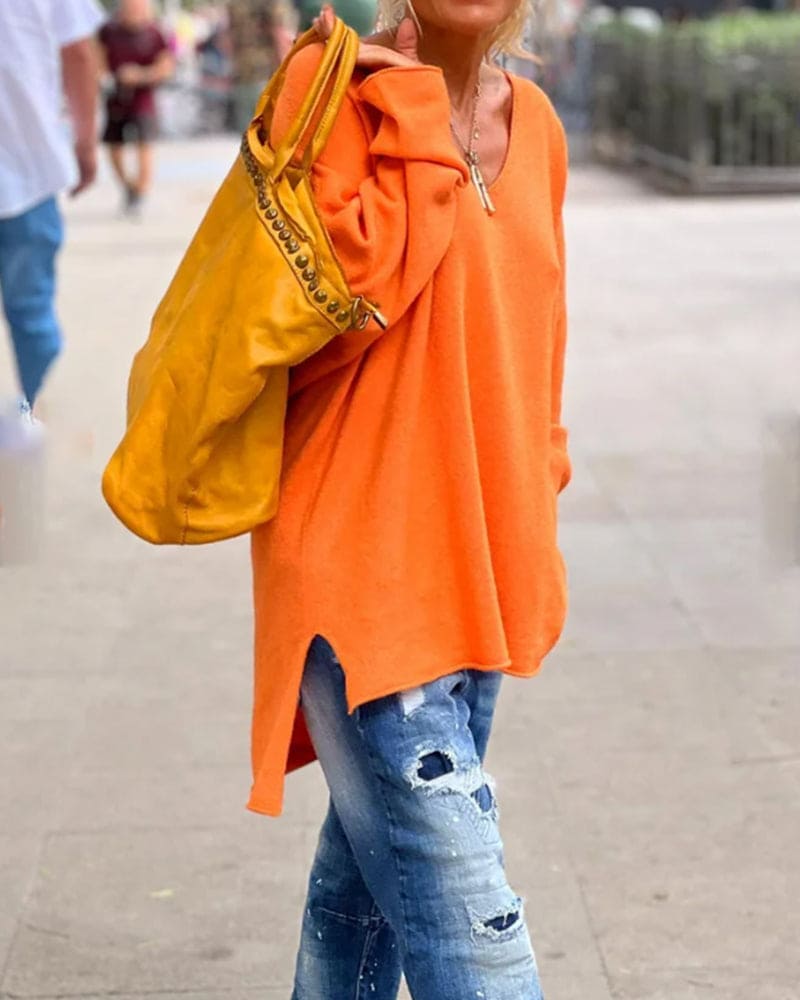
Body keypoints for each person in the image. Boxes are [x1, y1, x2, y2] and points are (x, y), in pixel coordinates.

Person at [249, 0, 571, 997]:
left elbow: (539, 340)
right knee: (476, 940)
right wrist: (411, 104)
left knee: (364, 901)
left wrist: (538, 490)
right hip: (359, 577)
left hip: (479, 566)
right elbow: (329, 317)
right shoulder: (328, 94)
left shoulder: (540, 125)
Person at [0, 0, 102, 406]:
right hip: (29, 166)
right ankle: (33, 413)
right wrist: (85, 142)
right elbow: (78, 53)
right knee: (33, 314)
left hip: (30, 169)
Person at [98, 0, 174, 216]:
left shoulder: (155, 33)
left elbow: (166, 66)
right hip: (116, 97)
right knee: (114, 146)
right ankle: (128, 186)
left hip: (143, 98)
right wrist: (105, 77)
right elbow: (98, 59)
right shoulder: (108, 31)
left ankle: (141, 191)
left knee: (144, 145)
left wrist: (140, 75)